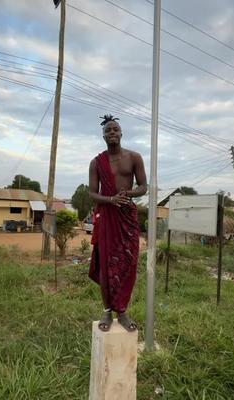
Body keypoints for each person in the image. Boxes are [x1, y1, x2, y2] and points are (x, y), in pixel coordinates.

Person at [89, 114, 147, 332]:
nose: (111, 132)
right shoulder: (96, 162)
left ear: (121, 133)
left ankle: (122, 311)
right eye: (108, 130)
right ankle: (107, 310)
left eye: (115, 129)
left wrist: (127, 194)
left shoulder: (134, 157)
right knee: (105, 264)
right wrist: (110, 199)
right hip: (107, 216)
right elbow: (92, 193)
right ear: (103, 136)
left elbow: (143, 187)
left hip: (126, 216)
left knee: (128, 263)